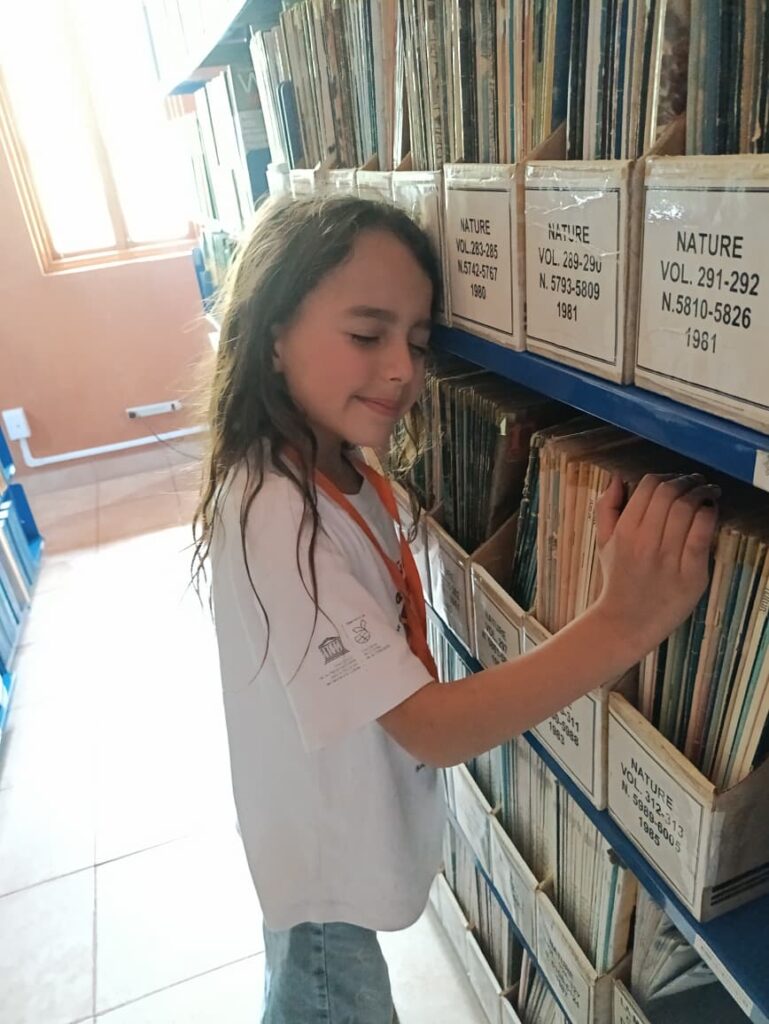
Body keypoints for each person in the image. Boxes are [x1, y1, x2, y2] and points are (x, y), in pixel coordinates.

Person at [192, 195, 718, 1024]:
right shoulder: (275, 511)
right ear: (273, 331)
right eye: (366, 334)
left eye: (417, 342)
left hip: (331, 844)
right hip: (321, 874)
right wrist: (622, 619)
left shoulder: (335, 467)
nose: (402, 370)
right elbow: (432, 729)